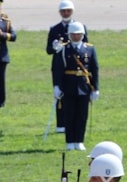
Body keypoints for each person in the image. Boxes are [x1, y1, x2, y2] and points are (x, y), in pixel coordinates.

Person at [53, 21, 98, 152]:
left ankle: (79, 140)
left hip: (84, 87)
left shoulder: (89, 49)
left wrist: (95, 88)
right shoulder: (63, 49)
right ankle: (70, 141)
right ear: (69, 35)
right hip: (68, 87)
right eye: (73, 34)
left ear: (83, 35)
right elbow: (57, 69)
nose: (76, 36)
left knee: (82, 116)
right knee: (69, 115)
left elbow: (94, 69)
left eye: (78, 34)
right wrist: (57, 86)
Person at [46, 0, 87, 134]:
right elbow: (48, 50)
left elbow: (86, 47)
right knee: (60, 95)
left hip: (75, 67)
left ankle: (73, 123)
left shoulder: (80, 27)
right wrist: (54, 47)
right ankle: (61, 124)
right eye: (63, 11)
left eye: (68, 11)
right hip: (59, 66)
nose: (66, 13)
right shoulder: (55, 29)